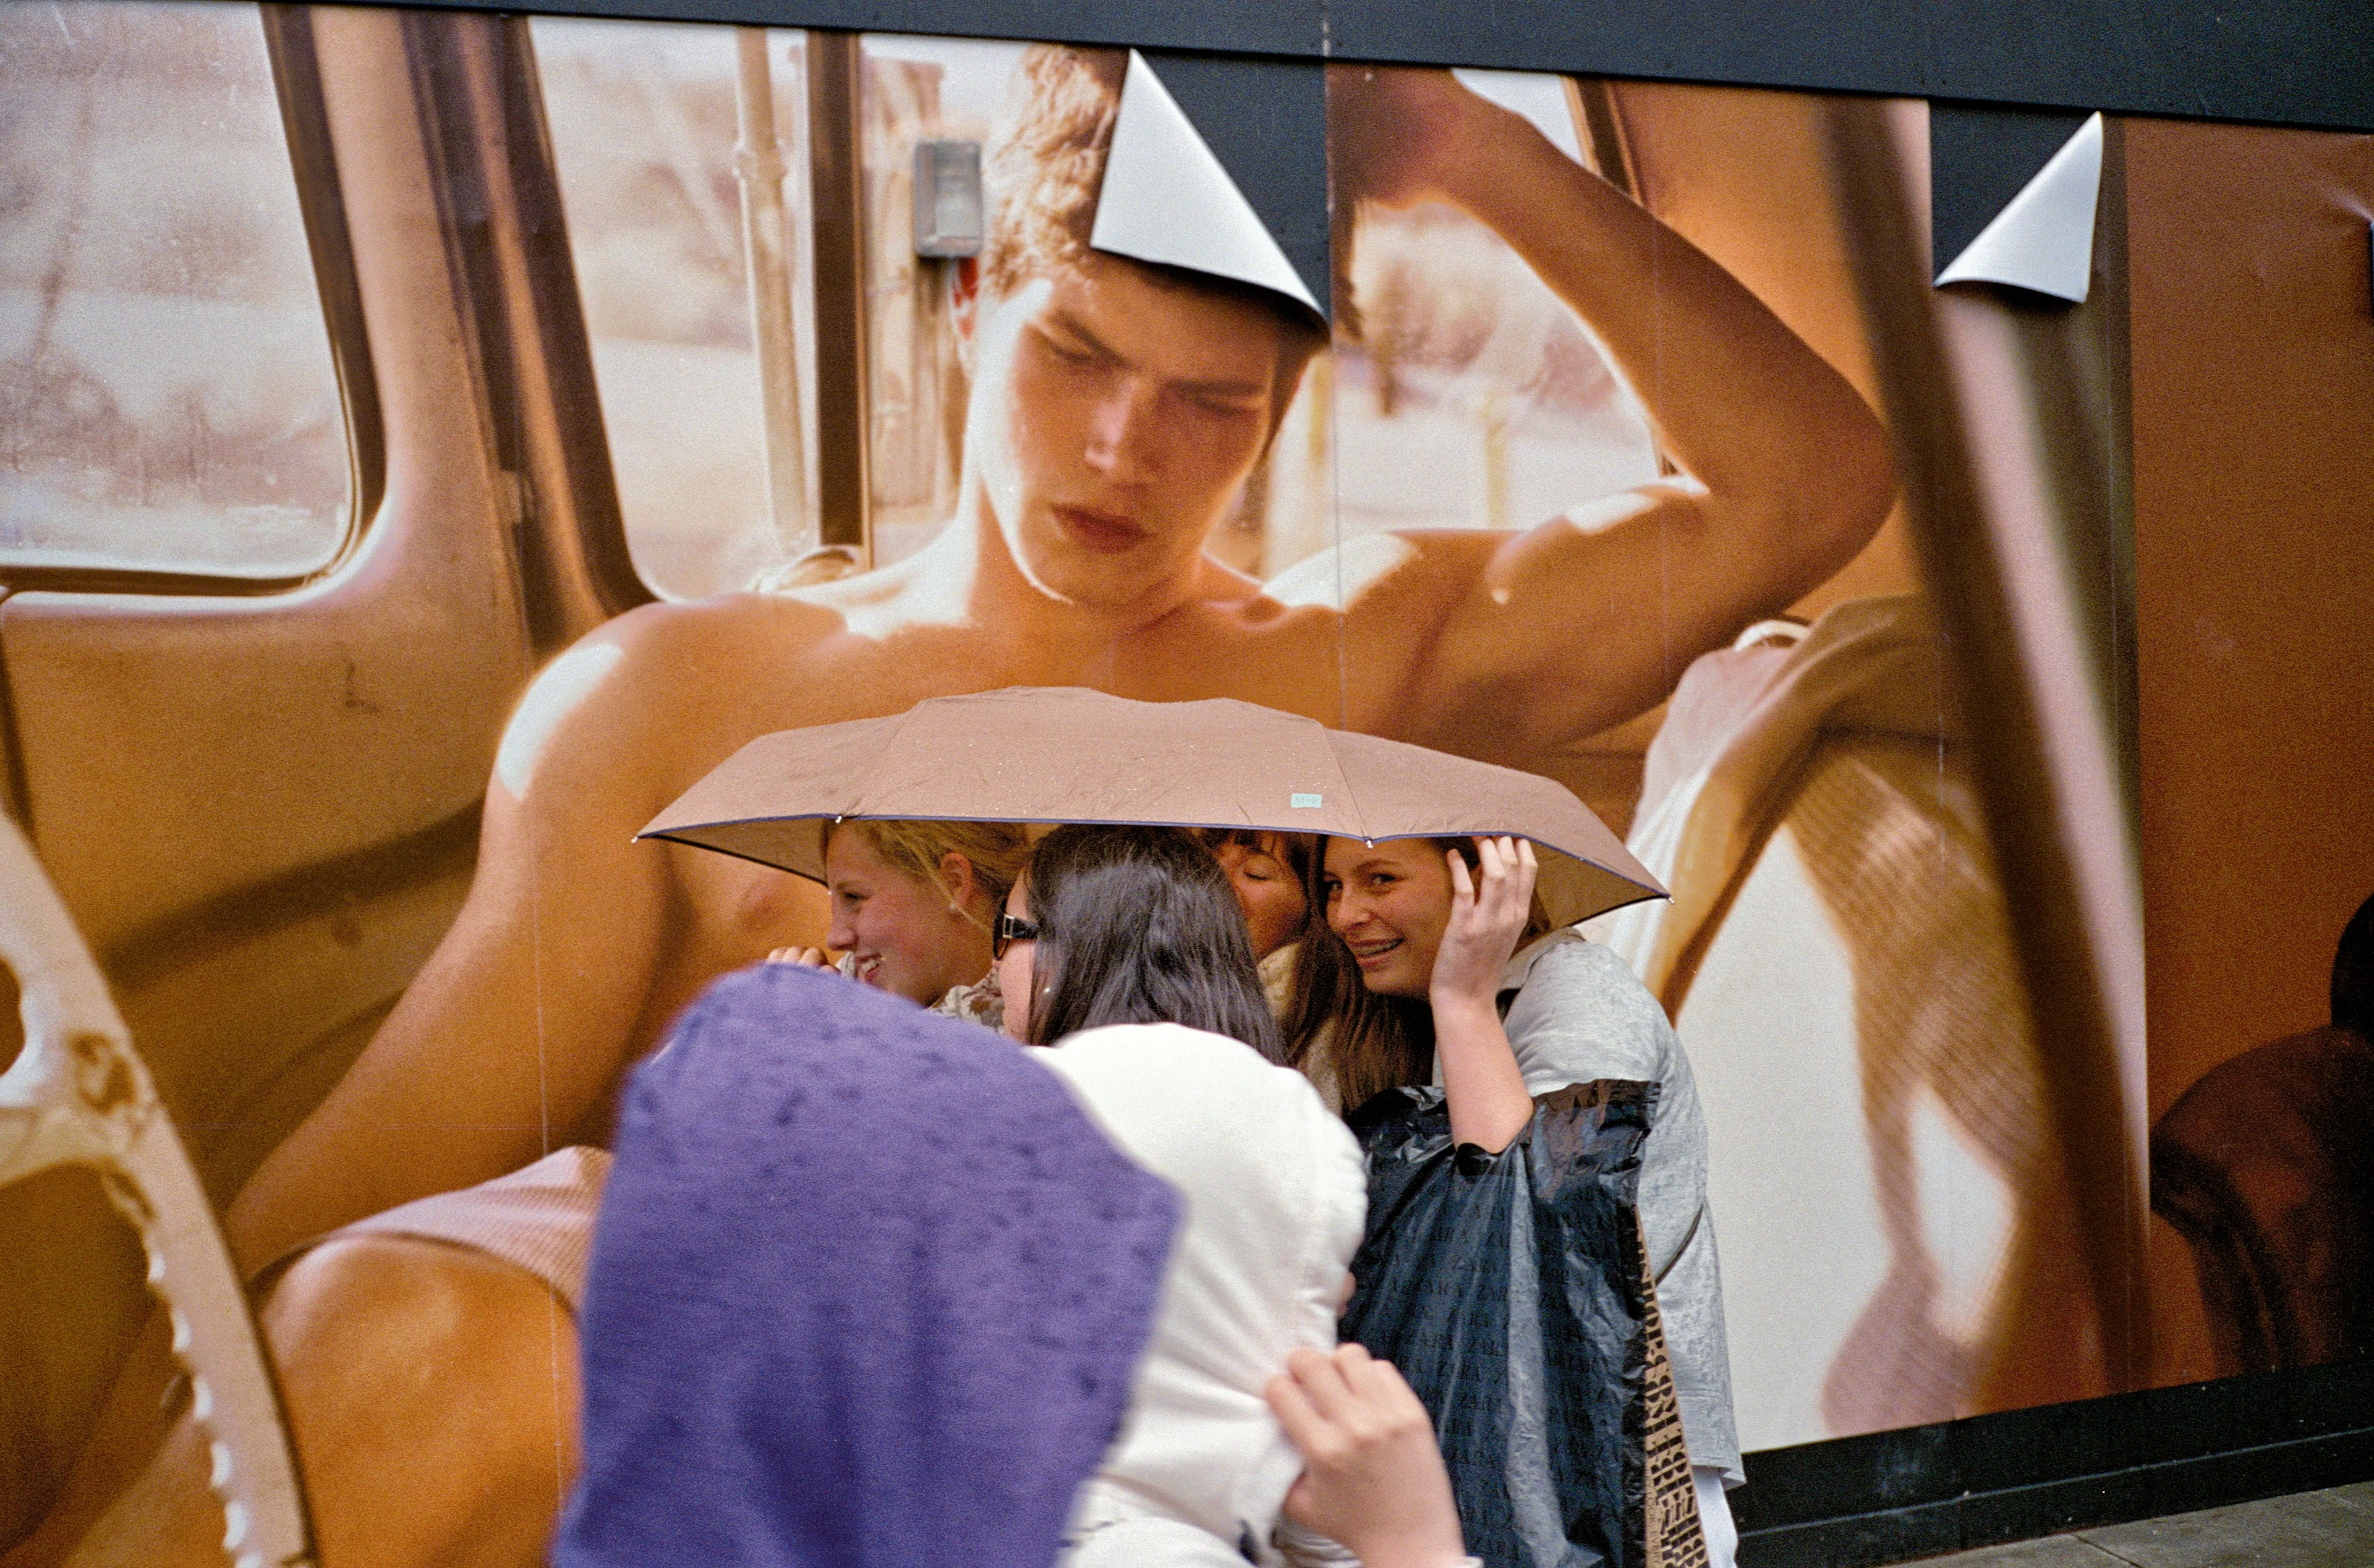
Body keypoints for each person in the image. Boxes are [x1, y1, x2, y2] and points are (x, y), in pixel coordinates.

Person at [220, 47, 1894, 1282]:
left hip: (1109, 1411)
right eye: (1075, 352)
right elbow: (353, 1202)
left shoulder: (1340, 659)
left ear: (1283, 417)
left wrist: (1462, 141)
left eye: (1210, 402)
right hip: (679, 1362)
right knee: (382, 1303)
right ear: (966, 313)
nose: (1120, 450)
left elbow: (1805, 486)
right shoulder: (672, 700)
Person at [1302, 834, 1743, 1567]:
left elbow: (1531, 1234)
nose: (1348, 912)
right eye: (1333, 886)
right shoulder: (1459, 1005)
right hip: (1513, 1438)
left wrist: (1463, 997)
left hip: (1611, 1449)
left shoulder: (1578, 997)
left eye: (1380, 878)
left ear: (1486, 876)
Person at [996, 824, 1284, 1060]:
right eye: (1215, 857)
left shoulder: (1019, 1103)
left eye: (1005, 928)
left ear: (1084, 947)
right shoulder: (1289, 1100)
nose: (995, 961)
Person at [766, 817, 1029, 1025]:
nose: (835, 939)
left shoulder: (1035, 1035)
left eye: (854, 897)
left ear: (952, 883)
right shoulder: (845, 988)